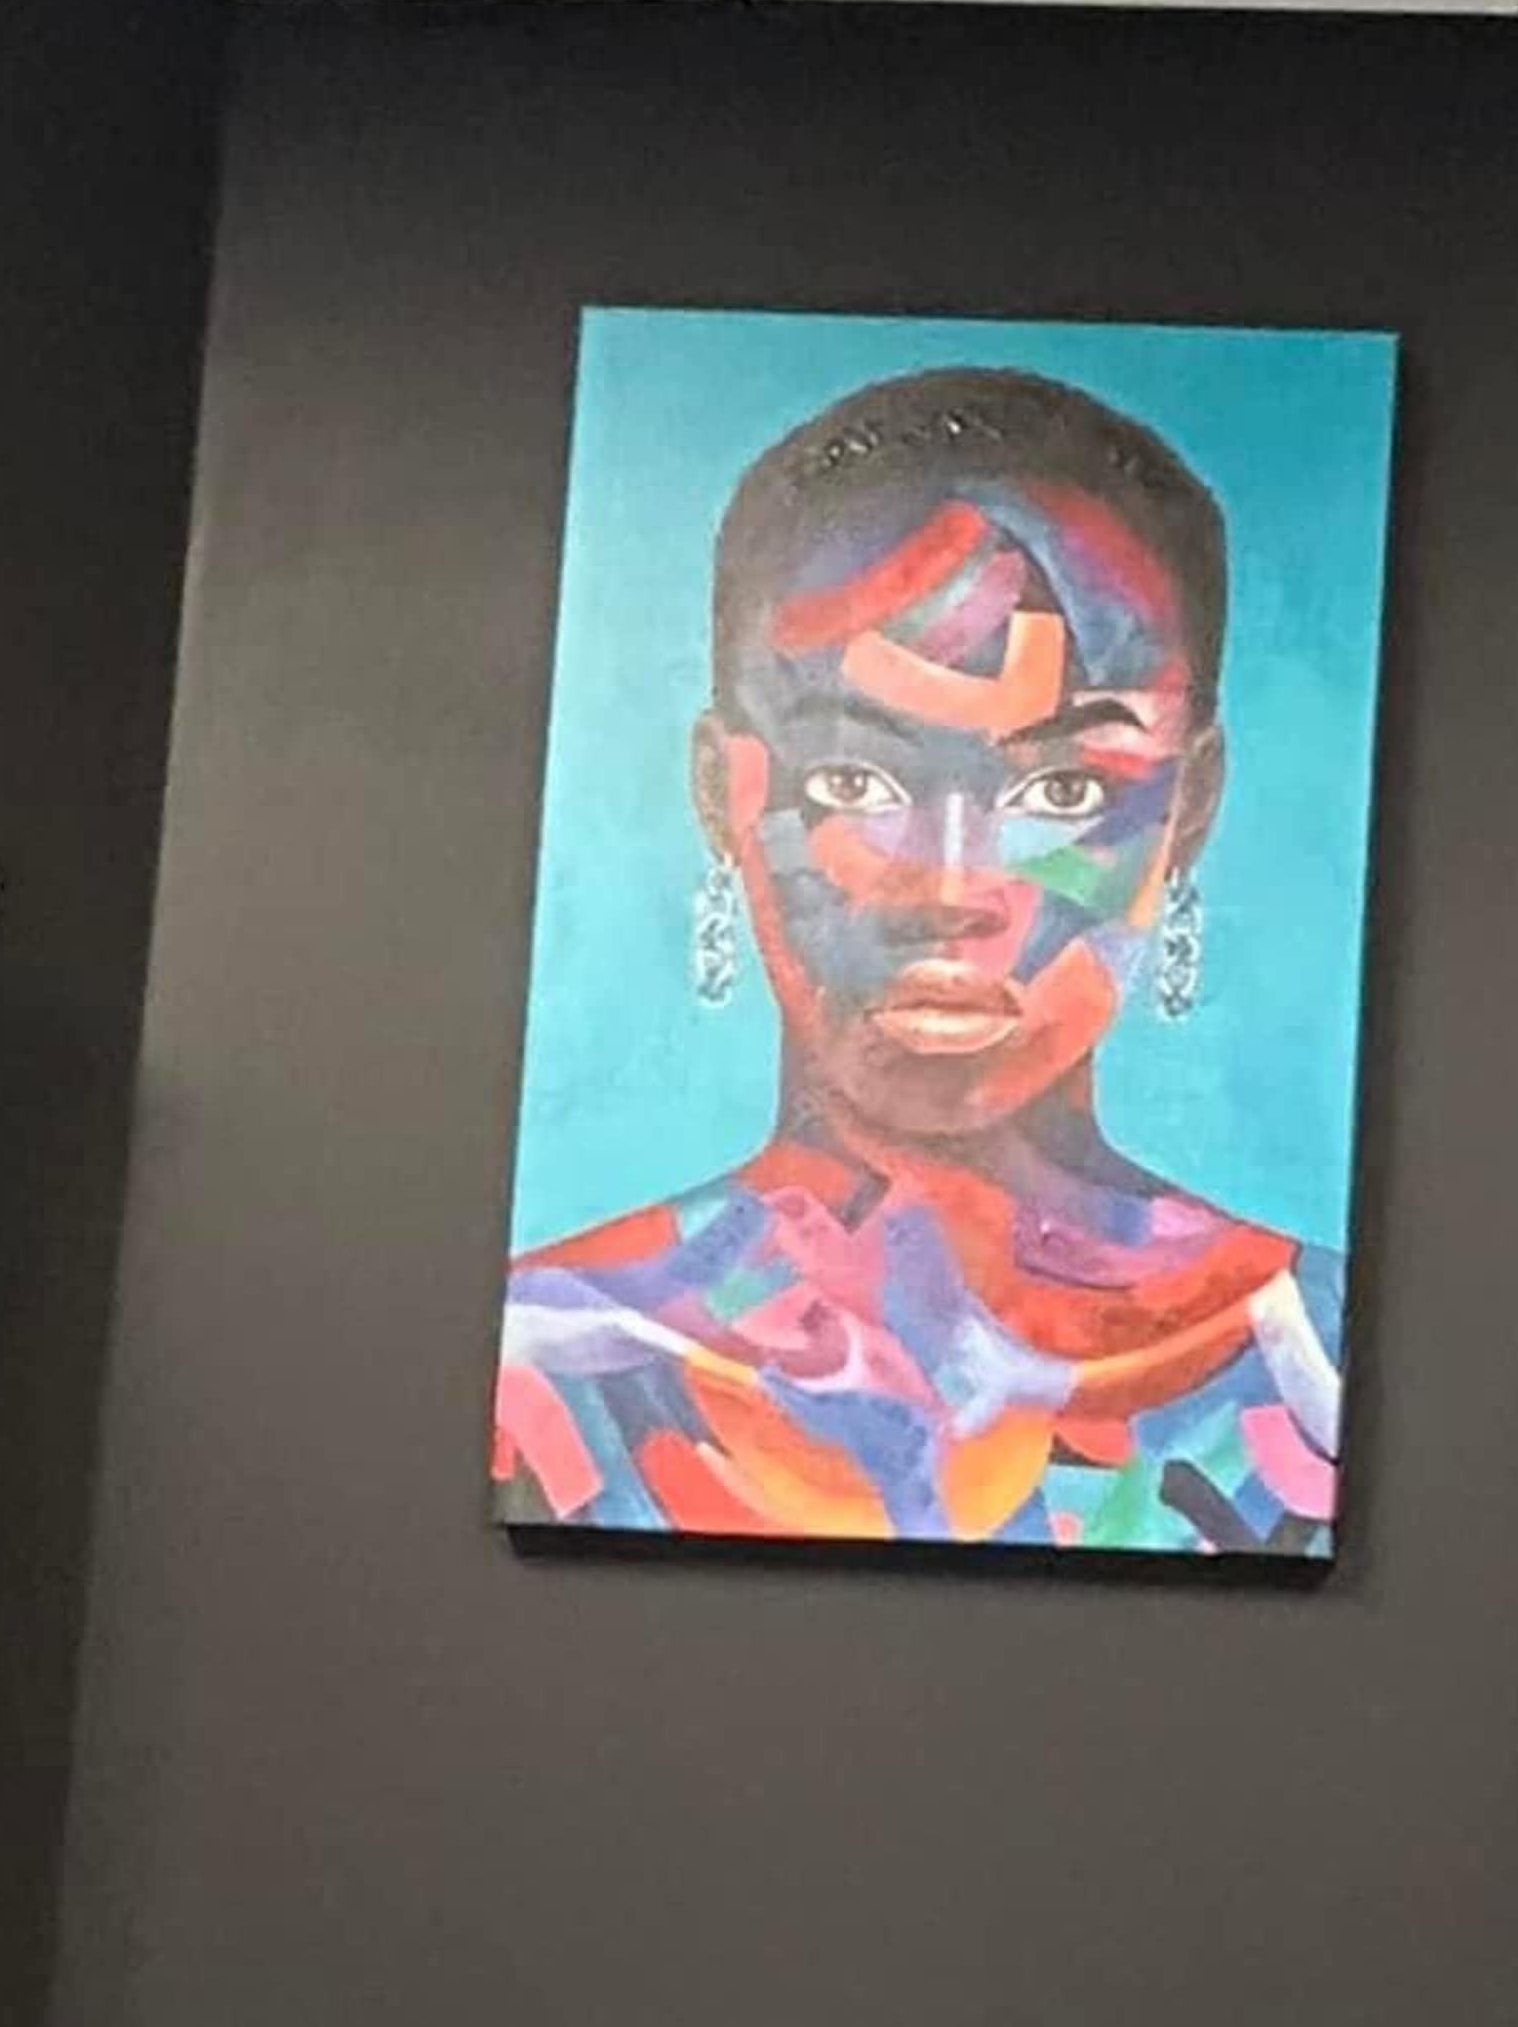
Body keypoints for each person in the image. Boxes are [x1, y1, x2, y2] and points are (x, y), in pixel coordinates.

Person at [496, 366, 1344, 1548]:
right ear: (720, 792)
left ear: (1189, 809)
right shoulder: (541, 1355)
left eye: (1063, 790)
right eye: (855, 780)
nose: (949, 889)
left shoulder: (1326, 1364)